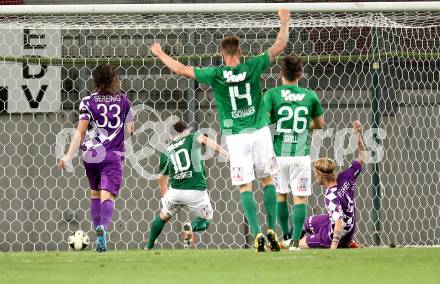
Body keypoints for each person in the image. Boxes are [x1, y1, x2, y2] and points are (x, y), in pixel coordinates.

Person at [150, 8, 290, 252]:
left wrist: (160, 52)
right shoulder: (253, 65)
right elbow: (280, 45)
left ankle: (256, 233)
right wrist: (285, 19)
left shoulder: (216, 74)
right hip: (259, 131)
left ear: (222, 55)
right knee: (268, 180)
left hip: (235, 137)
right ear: (240, 53)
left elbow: (181, 69)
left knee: (245, 186)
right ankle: (270, 230)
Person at [58, 64, 134, 252]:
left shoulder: (87, 101)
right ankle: (103, 229)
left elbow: (81, 131)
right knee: (107, 195)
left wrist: (68, 155)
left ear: (95, 80)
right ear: (114, 79)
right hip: (112, 155)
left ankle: (97, 230)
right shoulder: (124, 100)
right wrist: (117, 137)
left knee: (94, 193)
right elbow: (131, 129)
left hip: (91, 155)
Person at [263, 55, 324, 251]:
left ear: (280, 74)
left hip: (279, 155)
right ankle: (296, 242)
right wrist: (304, 126)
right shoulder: (310, 95)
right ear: (300, 74)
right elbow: (319, 124)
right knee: (300, 198)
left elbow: (265, 123)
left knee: (281, 195)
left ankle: (286, 234)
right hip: (300, 155)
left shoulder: (271, 94)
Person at [145, 120, 228, 249]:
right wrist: (225, 153)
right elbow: (206, 141)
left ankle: (149, 245)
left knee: (163, 216)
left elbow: (161, 181)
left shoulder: (166, 151)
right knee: (206, 219)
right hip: (196, 190)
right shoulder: (192, 137)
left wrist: (165, 200)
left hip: (175, 192)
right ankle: (191, 227)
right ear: (185, 131)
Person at [299, 121, 365, 249]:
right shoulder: (346, 176)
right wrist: (357, 135)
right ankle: (287, 241)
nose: (315, 176)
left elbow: (339, 222)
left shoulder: (331, 196)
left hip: (334, 235)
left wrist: (333, 248)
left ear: (321, 176)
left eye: (316, 174)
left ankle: (288, 243)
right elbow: (362, 157)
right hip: (347, 227)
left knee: (301, 243)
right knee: (305, 223)